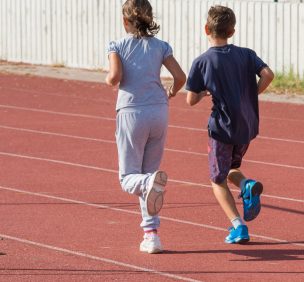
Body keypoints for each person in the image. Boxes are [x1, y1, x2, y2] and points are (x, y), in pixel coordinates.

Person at [185, 5, 274, 244]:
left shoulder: (202, 62)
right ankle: (247, 184)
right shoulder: (246, 54)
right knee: (231, 167)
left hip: (222, 129)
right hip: (246, 127)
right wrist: (252, 95)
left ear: (206, 29)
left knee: (217, 179)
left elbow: (190, 99)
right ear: (232, 31)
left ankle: (238, 226)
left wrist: (204, 92)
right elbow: (268, 75)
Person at [105, 0, 186, 254]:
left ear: (124, 21)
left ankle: (150, 185)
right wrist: (171, 92)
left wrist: (108, 79)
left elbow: (115, 77)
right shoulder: (161, 46)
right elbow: (180, 77)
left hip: (131, 112)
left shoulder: (117, 45)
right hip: (159, 111)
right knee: (148, 179)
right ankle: (151, 235)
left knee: (129, 177)